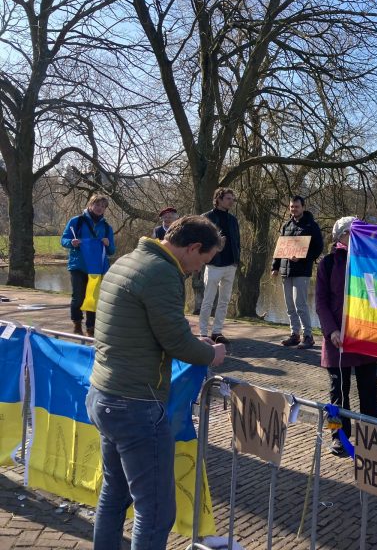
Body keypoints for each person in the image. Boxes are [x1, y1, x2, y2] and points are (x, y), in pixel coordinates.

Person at [86, 215, 227, 550]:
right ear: (193, 247)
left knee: (114, 494)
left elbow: (149, 328)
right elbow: (176, 343)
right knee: (157, 511)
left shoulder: (127, 261)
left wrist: (189, 340)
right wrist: (212, 354)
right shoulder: (163, 273)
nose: (199, 270)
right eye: (203, 260)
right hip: (136, 405)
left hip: (104, 394)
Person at [315, 216, 377, 456]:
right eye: (353, 233)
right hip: (337, 339)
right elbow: (320, 302)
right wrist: (331, 330)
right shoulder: (328, 263)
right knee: (337, 393)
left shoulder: (370, 262)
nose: (357, 237)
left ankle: (374, 437)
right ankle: (338, 437)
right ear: (341, 236)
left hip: (364, 337)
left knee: (369, 390)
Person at [271, 195, 324, 349]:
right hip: (285, 270)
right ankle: (294, 334)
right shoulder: (286, 225)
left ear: (303, 207)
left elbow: (318, 248)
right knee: (289, 306)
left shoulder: (311, 225)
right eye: (292, 207)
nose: (294, 209)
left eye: (297, 206)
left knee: (300, 304)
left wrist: (302, 257)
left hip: (302, 270)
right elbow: (280, 247)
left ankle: (308, 336)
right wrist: (275, 267)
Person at [60, 194, 116, 337]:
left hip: (97, 268)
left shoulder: (106, 227)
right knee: (78, 297)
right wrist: (71, 242)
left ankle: (91, 328)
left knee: (93, 297)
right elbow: (64, 240)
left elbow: (112, 251)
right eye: (97, 205)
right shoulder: (76, 221)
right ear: (90, 205)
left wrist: (108, 244)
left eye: (103, 206)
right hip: (78, 265)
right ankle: (77, 324)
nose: (99, 208)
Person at [200, 188, 241, 344]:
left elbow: (237, 241)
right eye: (228, 198)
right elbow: (201, 242)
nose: (232, 201)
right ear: (218, 199)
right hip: (213, 265)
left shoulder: (233, 219)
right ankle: (203, 333)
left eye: (232, 198)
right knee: (208, 300)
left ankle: (217, 332)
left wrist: (236, 260)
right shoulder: (206, 218)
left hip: (230, 265)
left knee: (224, 301)